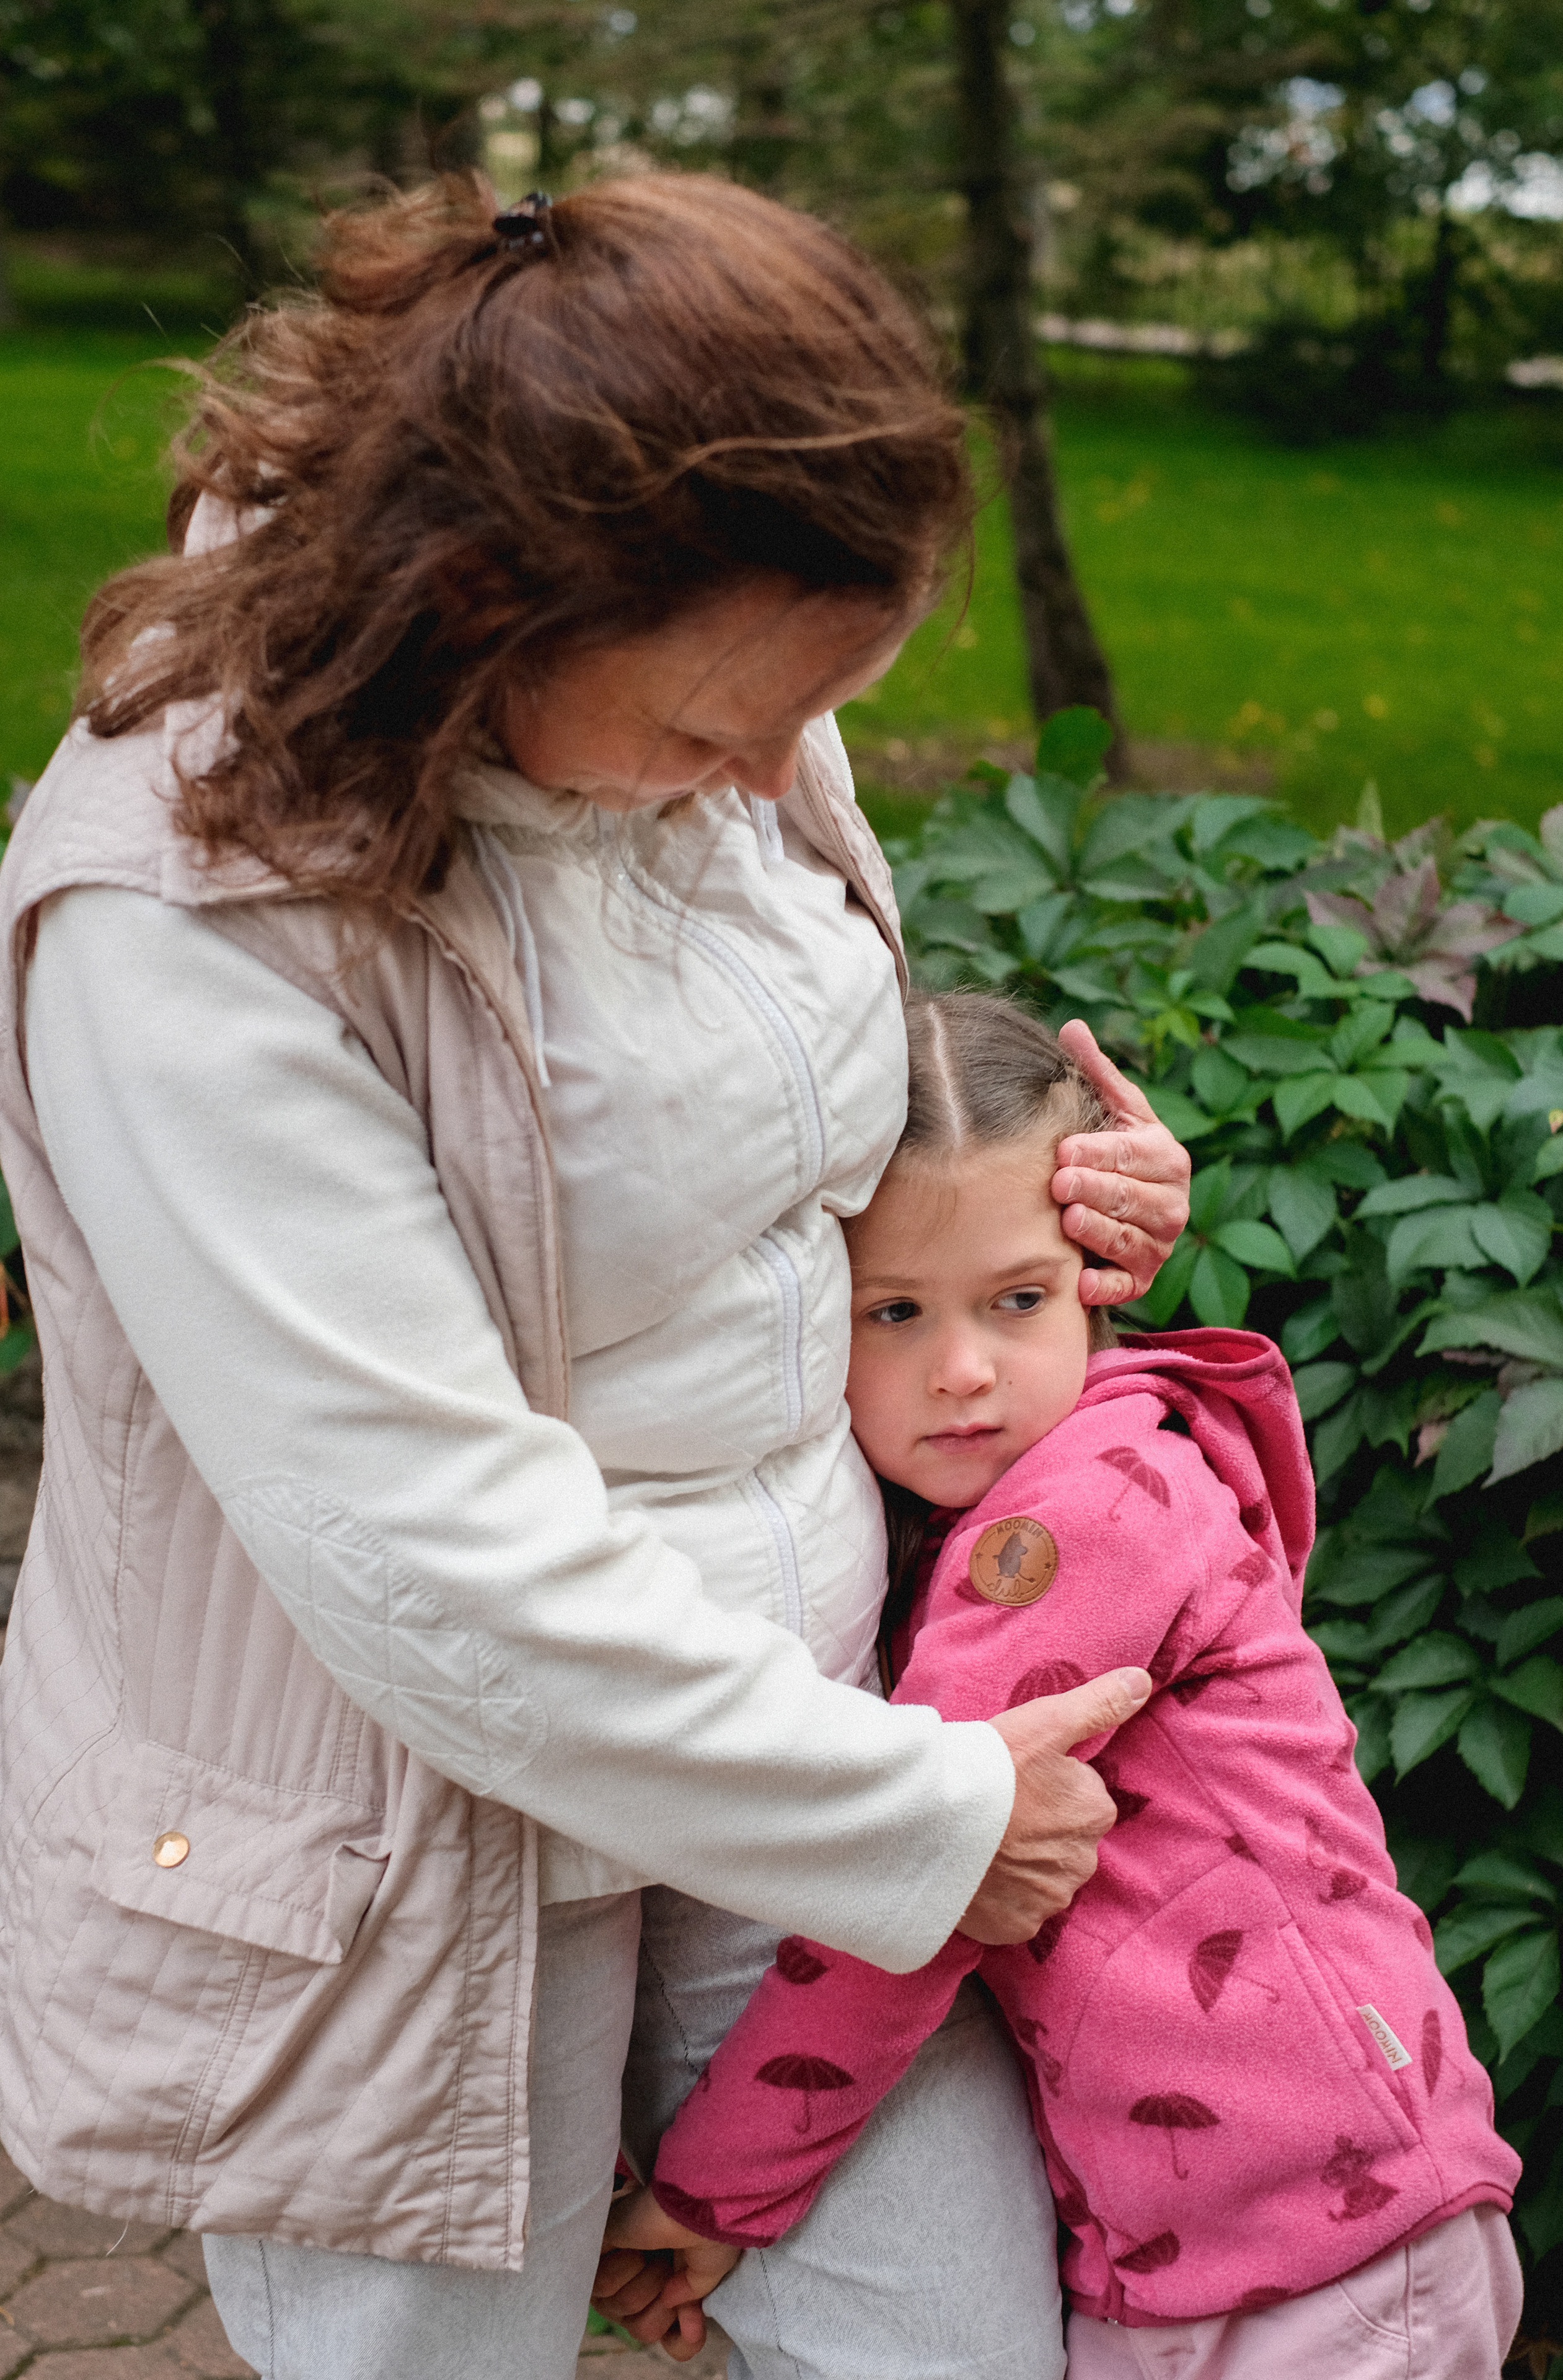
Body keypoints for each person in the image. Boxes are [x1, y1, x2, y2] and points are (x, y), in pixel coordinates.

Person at [0, 177, 1191, 2380]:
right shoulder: (184, 915)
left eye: (813, 716)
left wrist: (1020, 1224)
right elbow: (424, 1551)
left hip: (807, 1717)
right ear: (477, 605)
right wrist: (924, 1817)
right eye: (722, 732)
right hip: (419, 1855)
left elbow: (754, 1131)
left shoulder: (708, 671)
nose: (771, 777)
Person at [605, 992, 1524, 2380]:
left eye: (1016, 1301)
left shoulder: (1079, 1517)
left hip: (1320, 2249)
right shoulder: (1024, 1490)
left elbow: (905, 1904)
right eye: (892, 1312)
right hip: (1204, 2245)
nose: (963, 1369)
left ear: (1097, 1271)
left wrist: (709, 2195)